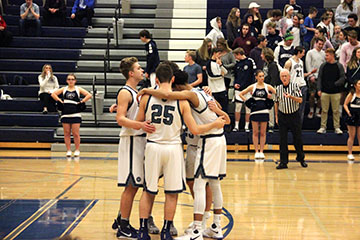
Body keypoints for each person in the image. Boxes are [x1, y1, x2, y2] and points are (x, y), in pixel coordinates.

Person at [135, 64, 226, 240]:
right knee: (174, 192)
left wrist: (142, 122)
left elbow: (139, 123)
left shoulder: (147, 97)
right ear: (173, 79)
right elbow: (196, 128)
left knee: (148, 191)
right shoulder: (183, 100)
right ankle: (168, 230)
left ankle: (142, 230)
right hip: (175, 147)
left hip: (153, 145)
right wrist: (216, 119)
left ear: (156, 79)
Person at [111, 57, 163, 238]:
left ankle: (120, 218)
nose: (142, 70)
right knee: (132, 185)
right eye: (139, 68)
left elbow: (125, 111)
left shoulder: (135, 92)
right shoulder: (125, 92)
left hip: (140, 140)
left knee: (140, 184)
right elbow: (120, 119)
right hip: (132, 140)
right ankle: (123, 226)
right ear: (131, 73)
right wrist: (140, 125)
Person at [51, 74, 92, 157]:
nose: (71, 81)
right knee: (66, 133)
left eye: (72, 79)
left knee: (75, 133)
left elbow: (89, 95)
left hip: (75, 113)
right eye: (69, 79)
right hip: (65, 113)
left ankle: (77, 149)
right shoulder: (64, 89)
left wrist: (82, 101)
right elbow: (53, 94)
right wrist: (60, 101)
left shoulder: (78, 89)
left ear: (75, 81)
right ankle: (68, 150)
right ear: (67, 81)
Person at [239, 70, 276, 160]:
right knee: (255, 132)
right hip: (255, 111)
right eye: (260, 76)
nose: (262, 78)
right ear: (256, 77)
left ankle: (262, 151)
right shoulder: (253, 86)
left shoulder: (268, 86)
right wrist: (247, 101)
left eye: (263, 76)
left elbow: (277, 92)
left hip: (264, 111)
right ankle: (256, 151)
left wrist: (271, 98)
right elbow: (240, 94)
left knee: (263, 133)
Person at [275, 69, 307, 169]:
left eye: (286, 76)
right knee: (282, 140)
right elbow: (276, 102)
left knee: (297, 138)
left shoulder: (295, 86)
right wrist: (276, 116)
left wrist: (291, 97)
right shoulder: (278, 88)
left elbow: (300, 100)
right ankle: (283, 162)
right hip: (282, 116)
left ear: (289, 77)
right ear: (280, 78)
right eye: (282, 76)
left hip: (294, 115)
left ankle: (301, 158)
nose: (284, 78)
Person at [284, 46, 316, 126]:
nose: (303, 54)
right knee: (292, 108)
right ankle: (291, 126)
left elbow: (301, 75)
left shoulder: (301, 62)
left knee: (301, 109)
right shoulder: (289, 62)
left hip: (302, 86)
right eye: (302, 53)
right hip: (293, 87)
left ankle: (298, 127)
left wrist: (310, 73)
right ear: (298, 52)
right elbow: (284, 75)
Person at [317, 48, 346, 135]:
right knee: (324, 110)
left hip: (336, 92)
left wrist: (335, 84)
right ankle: (323, 127)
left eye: (327, 55)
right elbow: (319, 78)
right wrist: (319, 89)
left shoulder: (339, 66)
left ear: (332, 55)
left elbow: (342, 78)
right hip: (325, 91)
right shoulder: (323, 66)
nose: (326, 57)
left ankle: (337, 127)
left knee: (336, 111)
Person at [233, 47, 256, 132]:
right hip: (239, 90)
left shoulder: (250, 61)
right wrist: (235, 84)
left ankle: (246, 126)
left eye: (235, 55)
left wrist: (252, 87)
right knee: (237, 108)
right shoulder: (237, 63)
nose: (235, 57)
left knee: (248, 108)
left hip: (248, 89)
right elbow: (235, 76)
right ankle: (236, 126)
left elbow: (254, 75)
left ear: (239, 54)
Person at [305, 38, 326, 119]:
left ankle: (318, 110)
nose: (320, 46)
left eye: (322, 44)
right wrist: (310, 75)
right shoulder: (310, 53)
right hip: (312, 77)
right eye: (319, 44)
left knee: (321, 95)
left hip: (321, 77)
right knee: (312, 94)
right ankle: (311, 110)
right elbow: (308, 64)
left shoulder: (324, 53)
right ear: (316, 43)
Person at [262, 47, 281, 132]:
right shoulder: (266, 64)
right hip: (267, 88)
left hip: (272, 89)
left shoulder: (273, 65)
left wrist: (270, 90)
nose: (260, 55)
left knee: (271, 108)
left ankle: (271, 125)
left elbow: (273, 79)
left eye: (262, 54)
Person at [206, 48, 228, 113]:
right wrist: (221, 76)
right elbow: (211, 76)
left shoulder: (220, 62)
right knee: (215, 110)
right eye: (218, 54)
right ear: (214, 53)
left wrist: (221, 65)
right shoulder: (208, 63)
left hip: (222, 89)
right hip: (214, 90)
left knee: (224, 109)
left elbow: (226, 72)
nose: (220, 55)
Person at [343, 79, 360, 162]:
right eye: (359, 84)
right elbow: (345, 104)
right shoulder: (352, 94)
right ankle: (350, 153)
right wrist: (349, 113)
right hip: (353, 115)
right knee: (352, 136)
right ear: (355, 85)